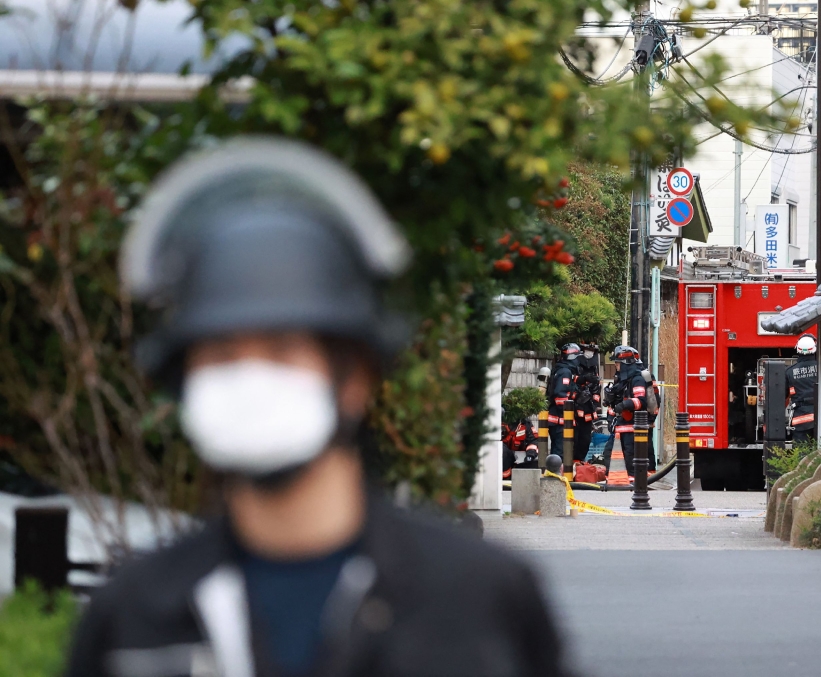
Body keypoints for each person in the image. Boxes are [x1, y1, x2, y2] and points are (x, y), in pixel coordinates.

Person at [66, 138, 565, 677]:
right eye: (222, 354)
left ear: (354, 377)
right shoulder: (134, 617)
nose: (250, 378)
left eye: (282, 350)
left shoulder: (478, 598)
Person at [605, 346, 649, 482]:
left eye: (618, 363)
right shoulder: (622, 381)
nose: (616, 366)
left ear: (626, 364)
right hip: (620, 427)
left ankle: (632, 482)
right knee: (608, 453)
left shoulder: (637, 379)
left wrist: (624, 405)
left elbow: (641, 401)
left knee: (630, 457)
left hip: (632, 428)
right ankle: (615, 480)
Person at [546, 343, 580, 463]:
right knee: (560, 453)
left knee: (559, 452)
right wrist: (573, 404)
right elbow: (560, 396)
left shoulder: (560, 369)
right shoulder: (565, 372)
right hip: (560, 421)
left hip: (558, 421)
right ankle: (555, 479)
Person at [786, 333, 819, 444]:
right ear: (815, 349)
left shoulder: (790, 371)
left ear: (797, 349)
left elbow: (783, 397)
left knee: (802, 454)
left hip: (801, 420)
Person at [573, 344, 602, 464]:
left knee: (585, 439)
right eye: (587, 350)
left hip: (588, 410)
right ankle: (573, 461)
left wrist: (595, 403)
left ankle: (580, 460)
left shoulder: (594, 368)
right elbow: (570, 382)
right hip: (574, 410)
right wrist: (581, 380)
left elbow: (596, 390)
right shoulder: (574, 365)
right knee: (574, 437)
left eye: (592, 351)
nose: (589, 353)